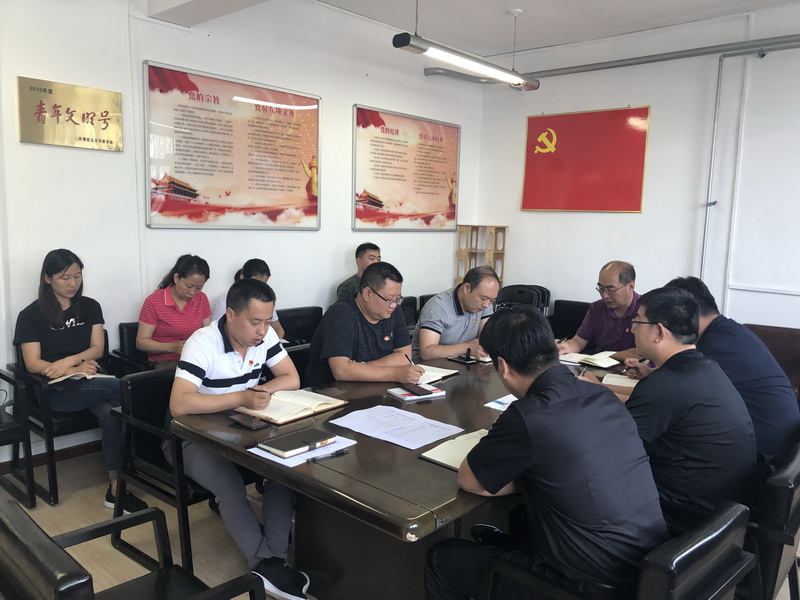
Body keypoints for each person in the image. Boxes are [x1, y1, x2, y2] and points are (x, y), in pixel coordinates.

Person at [424, 306, 668, 599]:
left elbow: (471, 481)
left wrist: (539, 472)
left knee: (444, 558)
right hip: (644, 569)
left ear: (502, 366)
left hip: (586, 586)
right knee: (521, 517)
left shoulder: (528, 414)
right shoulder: (601, 394)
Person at [167, 278, 308, 600]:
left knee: (284, 470)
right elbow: (180, 404)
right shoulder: (202, 342)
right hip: (191, 437)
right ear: (230, 314)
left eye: (267, 321)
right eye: (255, 322)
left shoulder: (265, 336)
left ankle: (272, 561)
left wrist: (260, 392)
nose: (263, 330)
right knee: (229, 485)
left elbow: (291, 377)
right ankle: (265, 564)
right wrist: (242, 397)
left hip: (242, 430)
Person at [13, 249, 147, 513]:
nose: (73, 283)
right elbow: (32, 363)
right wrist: (70, 367)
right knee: (123, 388)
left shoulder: (90, 306)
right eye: (65, 277)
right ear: (48, 278)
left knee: (112, 414)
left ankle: (116, 490)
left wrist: (72, 361)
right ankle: (150, 458)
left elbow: (98, 348)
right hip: (55, 389)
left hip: (91, 380)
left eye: (77, 276)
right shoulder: (30, 315)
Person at [624, 276, 800, 461]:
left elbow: (670, 397)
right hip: (761, 444)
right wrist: (651, 373)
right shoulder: (729, 332)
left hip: (763, 453)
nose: (633, 329)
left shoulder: (716, 347)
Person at [623, 287, 756, 531]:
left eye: (637, 322)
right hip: (725, 508)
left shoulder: (665, 383)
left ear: (659, 332)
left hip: (687, 517)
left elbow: (615, 447)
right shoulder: (706, 366)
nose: (631, 329)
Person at [306, 261, 423, 387]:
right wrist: (395, 373)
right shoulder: (340, 315)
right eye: (389, 299)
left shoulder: (394, 312)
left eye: (397, 299)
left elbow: (404, 356)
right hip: (332, 391)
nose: (393, 305)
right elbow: (341, 371)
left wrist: (361, 367)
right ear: (367, 293)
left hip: (375, 386)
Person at [136, 254, 212, 368]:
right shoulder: (154, 301)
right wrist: (172, 347)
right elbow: (141, 342)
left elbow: (208, 333)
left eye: (199, 288)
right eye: (188, 286)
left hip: (196, 358)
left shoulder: (201, 299)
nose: (192, 292)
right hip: (166, 362)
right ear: (176, 278)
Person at [412, 266, 499, 362]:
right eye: (483, 298)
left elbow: (487, 338)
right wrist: (467, 348)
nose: (486, 305)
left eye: (492, 300)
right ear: (467, 288)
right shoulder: (437, 307)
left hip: (464, 363)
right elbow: (427, 353)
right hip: (430, 367)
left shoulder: (485, 304)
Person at [556, 261, 640, 360]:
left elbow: (647, 353)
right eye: (601, 288)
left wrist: (608, 356)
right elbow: (578, 342)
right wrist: (566, 346)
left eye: (610, 289)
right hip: (599, 365)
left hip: (633, 367)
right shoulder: (597, 308)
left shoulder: (646, 310)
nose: (605, 295)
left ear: (631, 286)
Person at [211, 258, 285, 339]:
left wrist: (273, 344)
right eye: (254, 322)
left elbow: (279, 330)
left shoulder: (265, 301)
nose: (258, 288)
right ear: (242, 277)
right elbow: (216, 333)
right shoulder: (225, 301)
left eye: (263, 285)